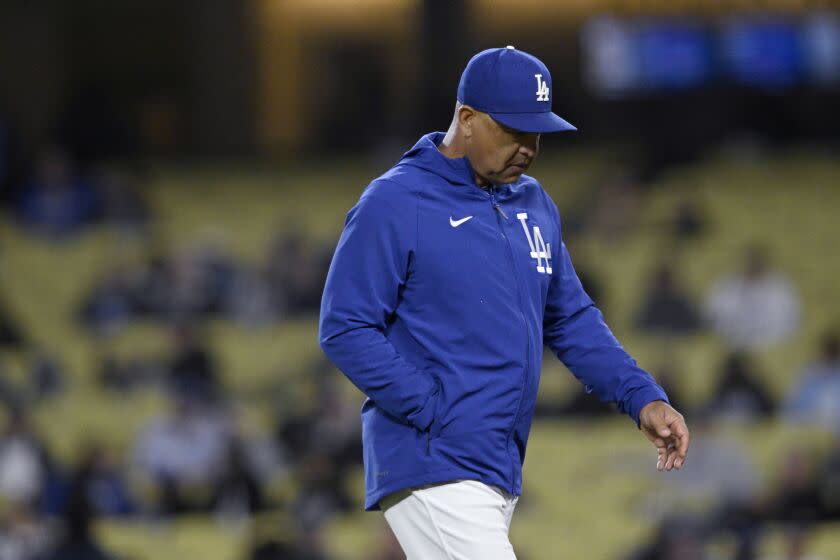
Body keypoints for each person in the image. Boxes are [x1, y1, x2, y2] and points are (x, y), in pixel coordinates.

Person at [319, 46, 690, 558]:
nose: (528, 147)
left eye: (536, 133)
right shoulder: (396, 202)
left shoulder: (534, 204)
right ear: (467, 119)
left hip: (497, 465)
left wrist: (641, 396)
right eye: (514, 131)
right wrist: (430, 406)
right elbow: (345, 326)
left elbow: (571, 320)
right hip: (435, 463)